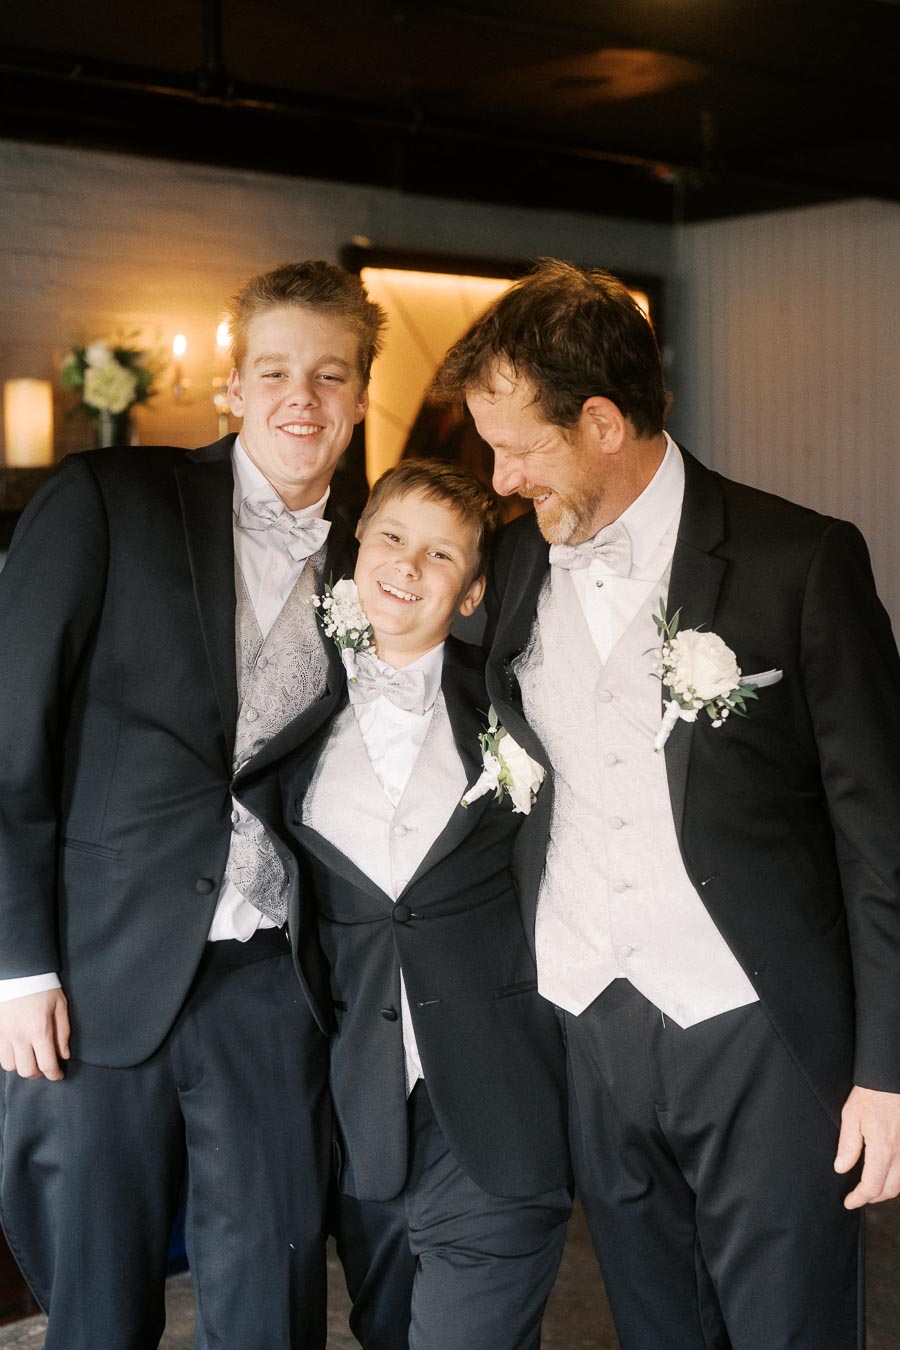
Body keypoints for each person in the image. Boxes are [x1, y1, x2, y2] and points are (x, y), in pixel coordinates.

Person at [431, 259, 900, 1349]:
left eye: (517, 447)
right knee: (656, 1330)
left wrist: (887, 1069)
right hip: (586, 1020)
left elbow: (883, 840)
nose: (499, 480)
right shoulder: (514, 566)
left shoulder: (800, 560)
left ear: (601, 420)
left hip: (761, 1033)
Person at [0, 260, 386, 1349]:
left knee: (272, 1302)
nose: (300, 399)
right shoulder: (110, 499)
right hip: (92, 974)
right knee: (97, 1310)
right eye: (274, 371)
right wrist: (18, 968)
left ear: (360, 394)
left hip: (272, 986)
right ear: (231, 386)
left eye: (329, 374)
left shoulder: (382, 556)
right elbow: (8, 746)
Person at [236, 459, 571, 1350]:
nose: (408, 566)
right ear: (355, 550)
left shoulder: (520, 718)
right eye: (391, 538)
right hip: (367, 1127)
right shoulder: (291, 734)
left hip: (499, 1116)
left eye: (441, 555)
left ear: (470, 595)